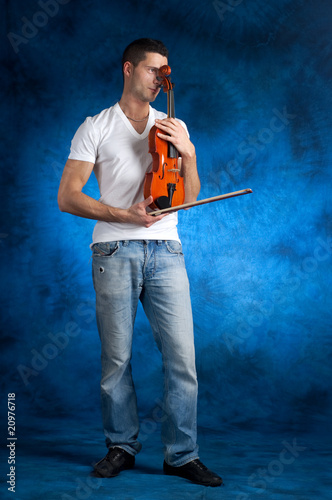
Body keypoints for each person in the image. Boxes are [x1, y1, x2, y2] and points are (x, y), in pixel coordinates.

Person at [58, 38, 222, 487]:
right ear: (129, 69)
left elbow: (187, 200)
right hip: (113, 249)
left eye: (165, 71)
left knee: (183, 359)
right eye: (153, 70)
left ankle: (181, 455)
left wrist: (187, 152)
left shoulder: (173, 124)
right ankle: (121, 446)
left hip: (167, 251)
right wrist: (124, 215)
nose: (161, 79)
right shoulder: (96, 126)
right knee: (117, 359)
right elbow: (67, 197)